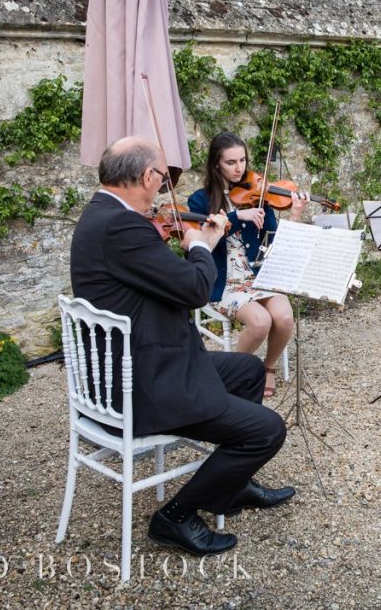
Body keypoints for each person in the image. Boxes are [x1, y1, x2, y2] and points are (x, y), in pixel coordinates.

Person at [70, 136, 296, 557]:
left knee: (248, 371)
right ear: (144, 176)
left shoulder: (102, 215)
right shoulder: (123, 226)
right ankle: (174, 517)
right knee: (267, 431)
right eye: (161, 176)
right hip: (144, 383)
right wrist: (199, 245)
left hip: (138, 361)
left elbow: (161, 282)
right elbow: (193, 289)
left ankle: (232, 483)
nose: (162, 186)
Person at [188, 132, 308, 398]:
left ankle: (267, 368)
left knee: (285, 317)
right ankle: (226, 375)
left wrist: (296, 213)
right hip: (225, 282)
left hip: (259, 275)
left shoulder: (258, 193)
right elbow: (201, 243)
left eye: (242, 160)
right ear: (216, 164)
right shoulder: (200, 200)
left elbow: (277, 241)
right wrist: (235, 215)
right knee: (261, 322)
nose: (239, 167)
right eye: (231, 162)